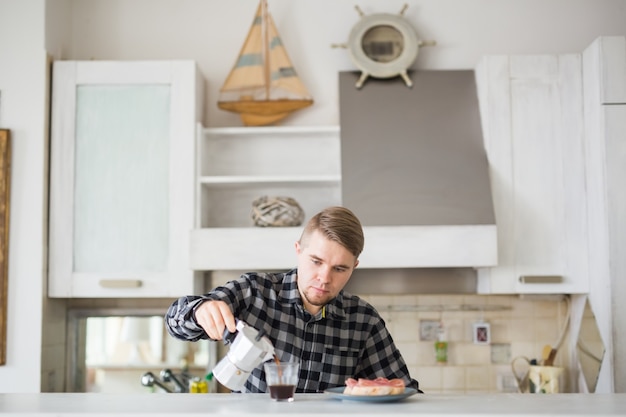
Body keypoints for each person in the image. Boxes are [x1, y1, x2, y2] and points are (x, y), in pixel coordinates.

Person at [164, 206, 420, 394]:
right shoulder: (255, 292)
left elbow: (404, 390)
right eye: (316, 262)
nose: (324, 278)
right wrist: (200, 310)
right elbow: (175, 322)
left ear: (355, 267)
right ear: (298, 251)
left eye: (339, 269)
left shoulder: (363, 321)